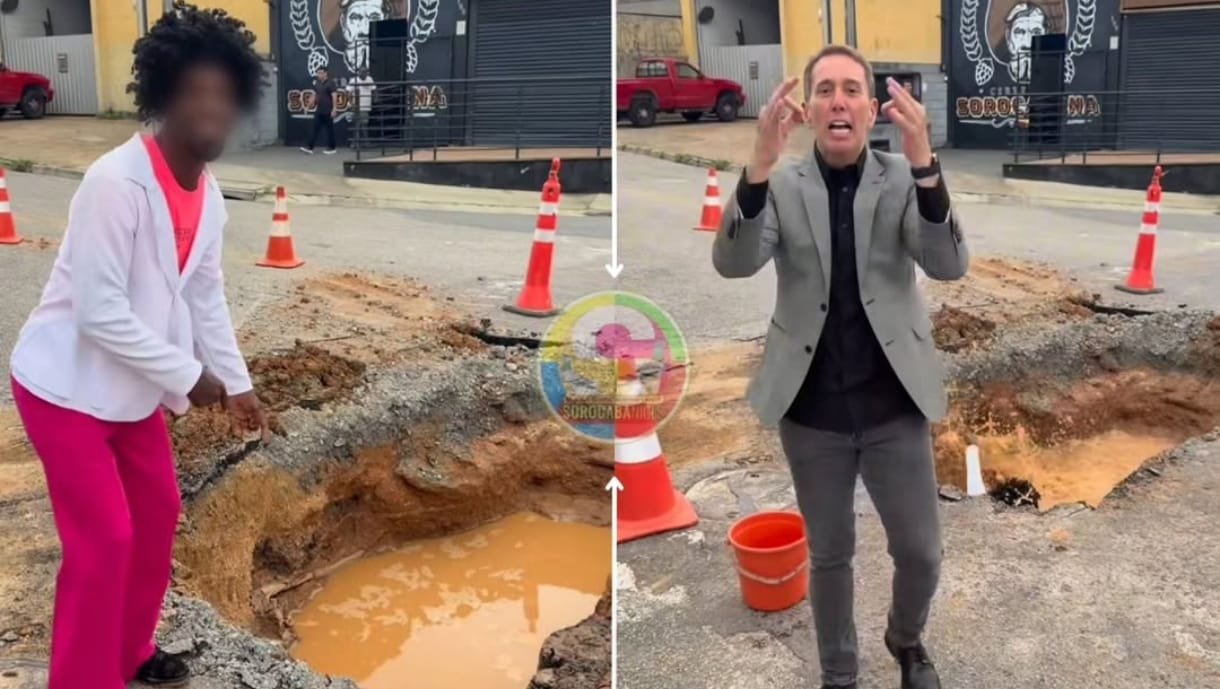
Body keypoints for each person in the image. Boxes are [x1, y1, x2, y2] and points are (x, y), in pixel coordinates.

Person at [7, 5, 269, 688]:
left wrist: (236, 383)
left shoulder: (209, 197)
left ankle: (129, 653)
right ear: (163, 95)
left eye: (222, 94)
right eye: (195, 91)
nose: (210, 108)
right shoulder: (114, 183)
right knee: (103, 544)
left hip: (130, 390)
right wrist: (193, 376)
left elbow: (205, 294)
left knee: (156, 518)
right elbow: (98, 314)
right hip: (62, 386)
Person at [712, 45, 969, 689]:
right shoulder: (785, 183)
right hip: (813, 411)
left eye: (851, 89)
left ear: (871, 107)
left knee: (920, 552)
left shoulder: (902, 176)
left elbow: (947, 264)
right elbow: (734, 263)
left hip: (892, 405)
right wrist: (761, 162)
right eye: (824, 89)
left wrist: (925, 164)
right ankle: (839, 674)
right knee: (830, 556)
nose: (837, 101)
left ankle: (905, 640)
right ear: (807, 107)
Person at [301, 66, 338, 154]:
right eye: (318, 73)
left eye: (321, 73)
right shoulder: (317, 83)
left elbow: (334, 96)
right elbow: (314, 95)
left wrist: (334, 109)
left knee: (330, 130)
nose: (319, 75)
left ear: (326, 73)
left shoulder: (331, 83)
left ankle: (332, 148)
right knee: (314, 128)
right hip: (319, 110)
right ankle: (310, 147)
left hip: (328, 110)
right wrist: (308, 106)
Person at [349, 66, 377, 145]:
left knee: (361, 124)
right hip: (357, 106)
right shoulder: (354, 80)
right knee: (360, 124)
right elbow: (348, 92)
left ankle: (355, 143)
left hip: (366, 106)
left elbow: (374, 89)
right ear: (358, 72)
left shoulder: (369, 79)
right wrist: (351, 103)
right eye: (362, 72)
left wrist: (375, 98)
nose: (364, 74)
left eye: (365, 72)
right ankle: (364, 142)